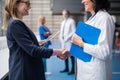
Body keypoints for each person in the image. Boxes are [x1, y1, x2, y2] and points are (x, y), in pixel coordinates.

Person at [2, 0, 69, 80]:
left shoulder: (17, 23)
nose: (30, 7)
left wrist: (35, 43)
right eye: (27, 3)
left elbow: (23, 46)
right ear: (16, 4)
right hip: (24, 73)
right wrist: (58, 52)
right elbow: (33, 51)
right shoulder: (15, 24)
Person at [71, 0, 115, 80]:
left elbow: (104, 52)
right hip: (85, 73)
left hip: (94, 75)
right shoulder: (90, 20)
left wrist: (81, 44)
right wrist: (70, 52)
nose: (82, 1)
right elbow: (89, 47)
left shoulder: (104, 18)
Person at [59, 9, 76, 75]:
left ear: (68, 14)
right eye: (63, 14)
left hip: (69, 41)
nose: (64, 15)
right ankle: (66, 68)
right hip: (63, 42)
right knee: (64, 54)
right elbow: (61, 31)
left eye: (65, 14)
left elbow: (73, 31)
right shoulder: (63, 22)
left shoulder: (71, 21)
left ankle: (72, 70)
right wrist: (61, 38)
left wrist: (67, 37)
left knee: (71, 55)